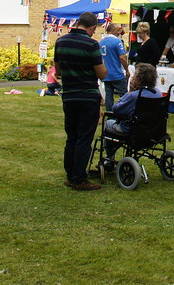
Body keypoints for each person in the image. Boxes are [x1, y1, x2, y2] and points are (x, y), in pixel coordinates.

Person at [54, 12, 107, 191]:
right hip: (87, 95)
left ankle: (70, 175)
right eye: (94, 30)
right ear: (92, 27)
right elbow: (101, 73)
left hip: (69, 95)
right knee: (84, 138)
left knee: (72, 136)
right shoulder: (92, 44)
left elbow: (58, 71)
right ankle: (79, 178)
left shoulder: (60, 41)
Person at [99, 23, 129, 108]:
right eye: (118, 30)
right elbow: (122, 58)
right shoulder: (117, 41)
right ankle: (124, 113)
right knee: (124, 95)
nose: (119, 32)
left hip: (106, 74)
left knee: (109, 96)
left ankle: (110, 114)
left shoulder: (101, 42)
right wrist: (127, 70)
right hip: (117, 74)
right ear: (113, 31)